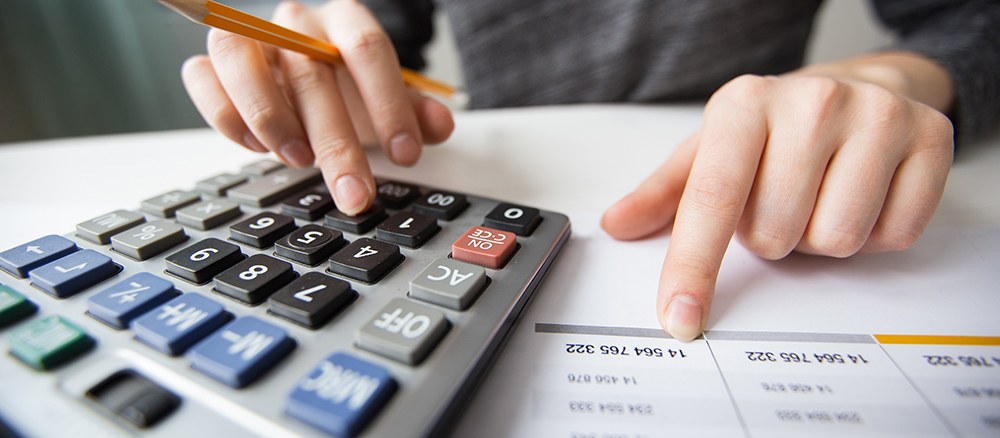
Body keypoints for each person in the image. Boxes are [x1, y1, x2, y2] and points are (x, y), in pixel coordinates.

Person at [180, 0, 1000, 341]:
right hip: (486, 170)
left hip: (762, 162)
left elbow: (970, 19)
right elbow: (372, 23)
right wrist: (328, 53)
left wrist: (895, 80)